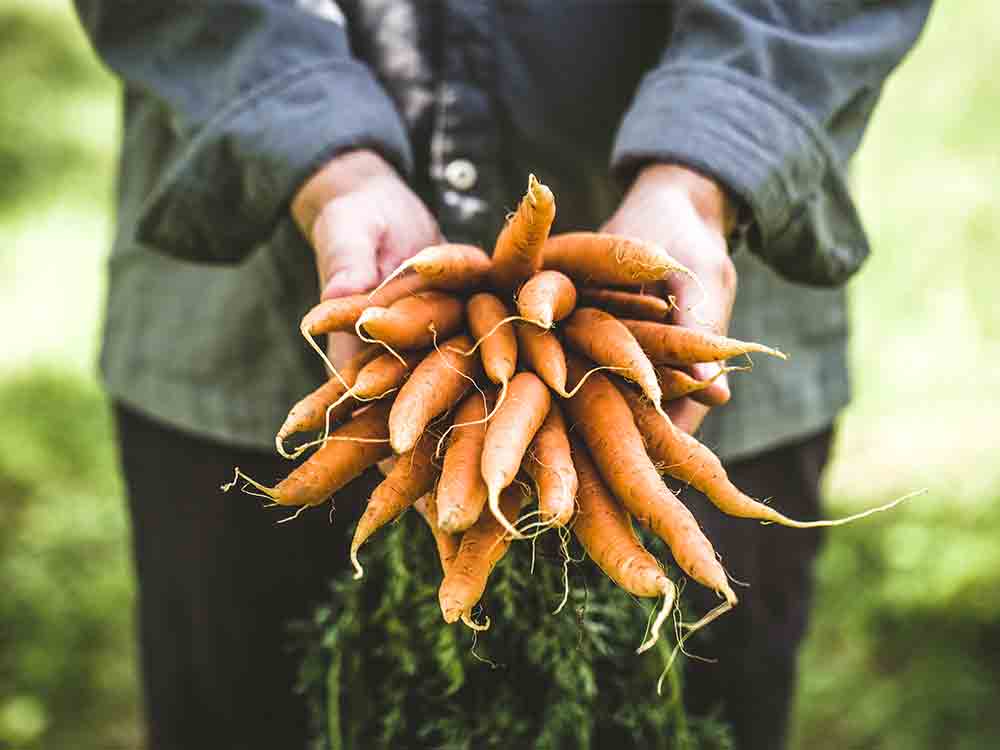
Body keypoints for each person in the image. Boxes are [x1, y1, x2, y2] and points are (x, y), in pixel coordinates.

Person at [73, 1, 931, 748]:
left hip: (675, 354)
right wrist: (317, 152)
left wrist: (707, 170)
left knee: (687, 698)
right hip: (253, 332)